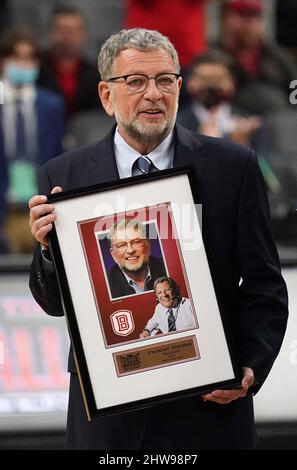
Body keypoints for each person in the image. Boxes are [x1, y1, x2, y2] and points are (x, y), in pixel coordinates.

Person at [29, 28, 288, 450]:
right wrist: (47, 252)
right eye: (135, 81)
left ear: (180, 88)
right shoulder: (64, 175)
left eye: (164, 80)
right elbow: (55, 304)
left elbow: (265, 286)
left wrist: (250, 366)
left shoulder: (234, 166)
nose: (153, 94)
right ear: (106, 95)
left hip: (210, 409)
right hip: (111, 418)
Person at [0, 28, 64, 254]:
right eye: (17, 57)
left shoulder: (51, 105)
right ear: (3, 61)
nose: (23, 64)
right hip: (4, 208)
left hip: (40, 208)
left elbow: (57, 154)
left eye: (29, 58)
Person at [37, 6, 100, 118]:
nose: (66, 37)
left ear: (83, 34)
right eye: (61, 30)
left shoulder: (95, 74)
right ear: (49, 33)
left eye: (72, 31)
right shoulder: (35, 68)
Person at [107, 218, 166, 298]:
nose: (130, 250)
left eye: (136, 242)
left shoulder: (167, 267)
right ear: (113, 255)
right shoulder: (106, 285)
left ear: (148, 246)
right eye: (122, 245)